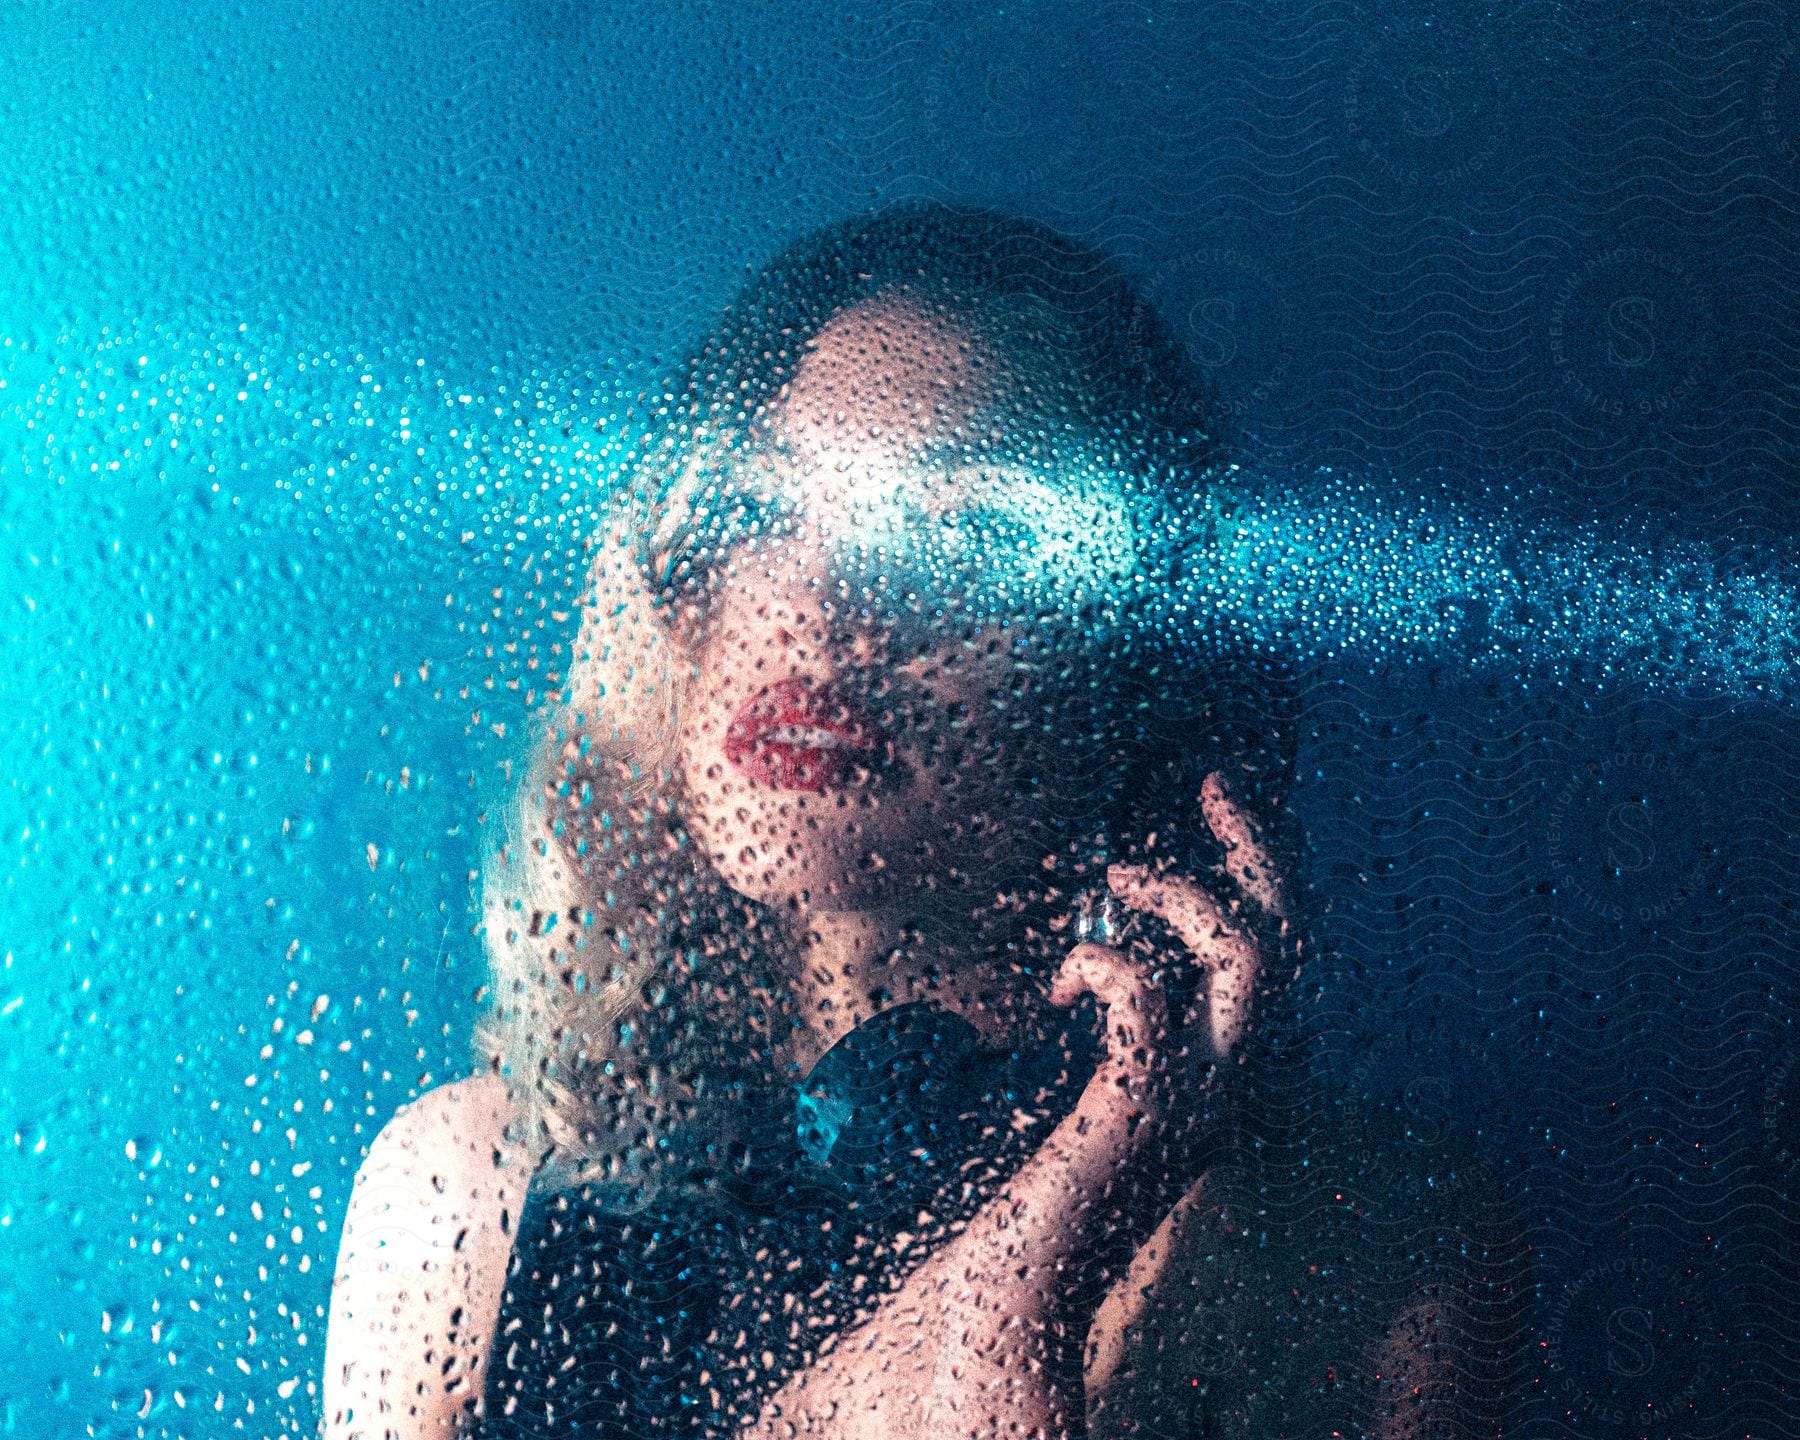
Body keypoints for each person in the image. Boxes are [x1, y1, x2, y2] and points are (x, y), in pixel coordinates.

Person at [321, 206, 1525, 1439]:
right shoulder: (467, 1190)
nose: (817, 599)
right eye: (761, 504)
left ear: (1135, 682)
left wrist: (1017, 1322)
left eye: (974, 534)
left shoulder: (1364, 1252)